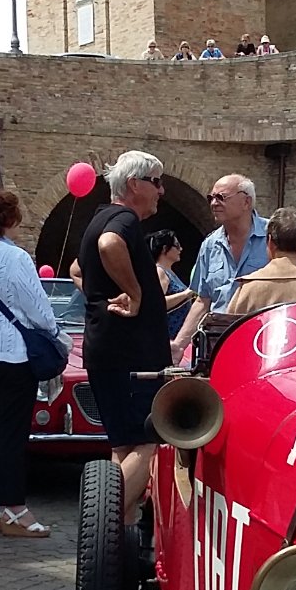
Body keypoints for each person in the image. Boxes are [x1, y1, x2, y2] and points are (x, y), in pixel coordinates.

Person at [0, 188, 64, 538]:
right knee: (12, 434)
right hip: (11, 355)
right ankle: (16, 509)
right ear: (8, 220)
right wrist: (54, 332)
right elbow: (37, 307)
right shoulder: (16, 257)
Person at [78, 150, 170, 523]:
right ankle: (101, 526)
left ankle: (120, 541)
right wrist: (134, 294)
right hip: (131, 356)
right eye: (156, 182)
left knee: (125, 445)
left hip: (106, 348)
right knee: (155, 440)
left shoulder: (98, 218)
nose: (161, 191)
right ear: (134, 185)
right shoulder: (123, 219)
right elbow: (109, 246)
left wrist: (100, 297)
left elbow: (75, 268)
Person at [172, 174, 271, 359]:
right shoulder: (209, 245)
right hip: (219, 343)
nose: (213, 203)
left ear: (246, 202)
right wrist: (179, 345)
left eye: (221, 197)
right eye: (211, 198)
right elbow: (203, 301)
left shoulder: (273, 237)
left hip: (263, 341)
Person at [148, 228, 194, 340]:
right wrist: (187, 294)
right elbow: (157, 303)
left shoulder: (170, 272)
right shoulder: (160, 271)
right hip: (166, 337)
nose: (181, 249)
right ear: (165, 249)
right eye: (177, 245)